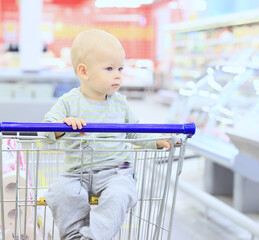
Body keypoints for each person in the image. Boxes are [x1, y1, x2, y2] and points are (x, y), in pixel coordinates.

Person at [40, 29, 170, 240]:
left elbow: (135, 133)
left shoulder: (120, 103)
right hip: (76, 173)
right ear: (84, 72)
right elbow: (45, 131)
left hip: (116, 171)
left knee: (120, 195)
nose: (118, 74)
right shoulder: (68, 102)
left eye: (120, 68)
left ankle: (93, 237)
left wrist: (156, 141)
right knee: (61, 194)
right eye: (109, 68)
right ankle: (73, 236)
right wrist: (61, 125)